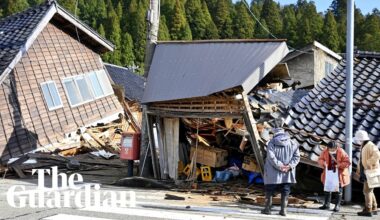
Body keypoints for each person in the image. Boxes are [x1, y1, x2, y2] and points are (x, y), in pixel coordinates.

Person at [261, 128, 300, 216]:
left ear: (275, 134)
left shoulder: (271, 143)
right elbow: (297, 157)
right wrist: (289, 166)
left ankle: (267, 209)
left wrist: (280, 166)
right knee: (285, 190)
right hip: (287, 172)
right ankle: (283, 210)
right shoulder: (293, 143)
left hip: (272, 172)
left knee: (269, 190)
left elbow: (271, 157)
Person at [318, 141, 351, 212]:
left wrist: (339, 165)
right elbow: (320, 159)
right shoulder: (325, 151)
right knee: (327, 189)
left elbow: (347, 162)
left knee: (338, 190)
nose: (332, 151)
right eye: (330, 149)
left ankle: (337, 206)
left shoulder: (341, 151)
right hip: (328, 173)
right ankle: (326, 204)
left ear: (336, 147)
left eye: (333, 149)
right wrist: (323, 163)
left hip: (339, 174)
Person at [355, 130, 380, 217]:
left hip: (370, 171)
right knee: (370, 190)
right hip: (367, 171)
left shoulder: (370, 145)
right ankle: (374, 207)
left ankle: (368, 209)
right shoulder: (365, 145)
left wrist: (369, 163)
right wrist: (359, 169)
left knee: (367, 190)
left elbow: (377, 155)